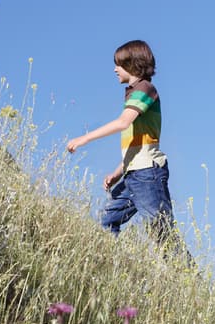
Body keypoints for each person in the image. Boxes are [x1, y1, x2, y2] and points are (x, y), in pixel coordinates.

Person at [66, 40, 189, 259]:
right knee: (107, 221)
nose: (115, 69)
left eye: (119, 64)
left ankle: (188, 278)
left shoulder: (145, 89)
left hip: (147, 175)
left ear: (133, 64)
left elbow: (123, 123)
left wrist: (85, 138)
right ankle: (113, 266)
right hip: (134, 174)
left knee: (161, 233)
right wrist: (117, 173)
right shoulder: (134, 93)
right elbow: (137, 144)